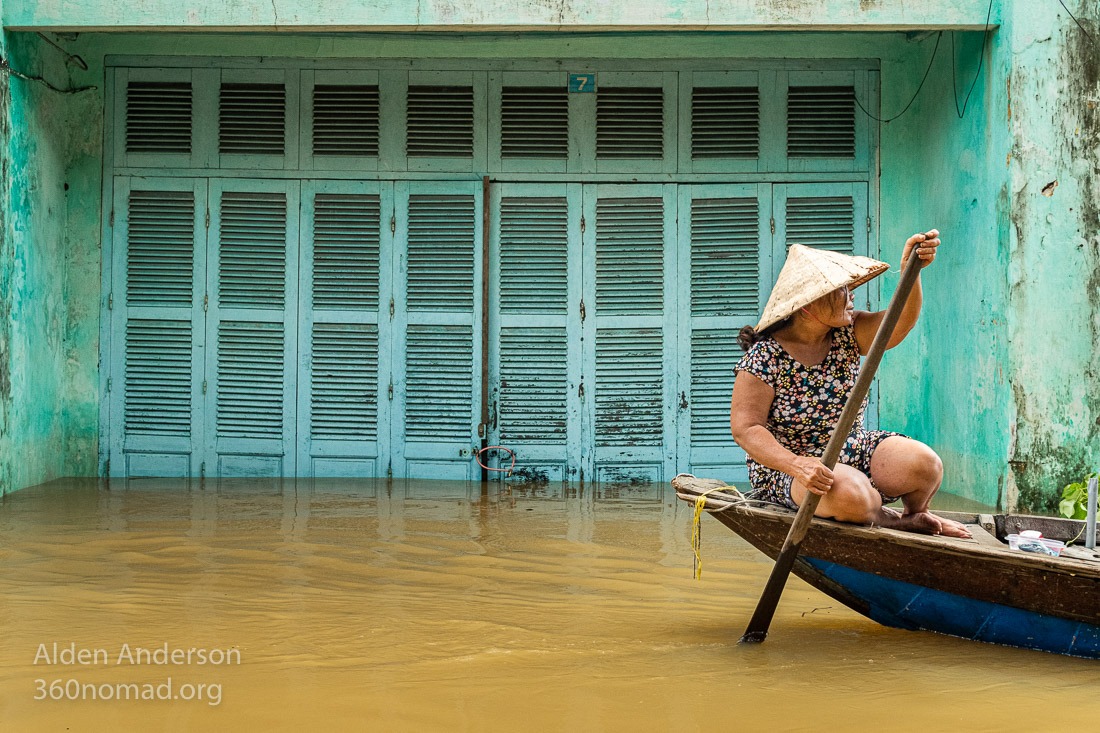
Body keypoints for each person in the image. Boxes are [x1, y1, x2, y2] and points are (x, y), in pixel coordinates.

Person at [729, 231, 970, 538]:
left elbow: (899, 323)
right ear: (807, 307)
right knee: (856, 498)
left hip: (850, 447)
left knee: (926, 464)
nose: (851, 294)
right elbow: (746, 429)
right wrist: (797, 465)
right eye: (841, 290)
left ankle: (917, 515)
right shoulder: (764, 357)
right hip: (791, 469)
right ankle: (891, 521)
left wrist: (912, 271)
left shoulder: (848, 333)